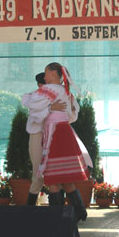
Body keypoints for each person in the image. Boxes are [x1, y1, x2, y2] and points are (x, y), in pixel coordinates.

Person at [26, 62, 89, 221]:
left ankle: (57, 215)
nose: (45, 76)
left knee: (51, 176)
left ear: (53, 74)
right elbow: (71, 115)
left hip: (53, 134)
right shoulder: (67, 92)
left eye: (46, 72)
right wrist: (51, 108)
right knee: (65, 177)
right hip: (63, 132)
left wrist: (48, 108)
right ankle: (79, 212)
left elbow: (31, 103)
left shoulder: (49, 90)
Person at [21, 72, 68, 205]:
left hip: (55, 134)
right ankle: (31, 208)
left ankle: (60, 209)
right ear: (40, 85)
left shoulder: (61, 93)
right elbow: (35, 116)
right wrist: (49, 109)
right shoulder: (34, 97)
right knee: (38, 173)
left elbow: (71, 113)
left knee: (56, 172)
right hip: (38, 135)